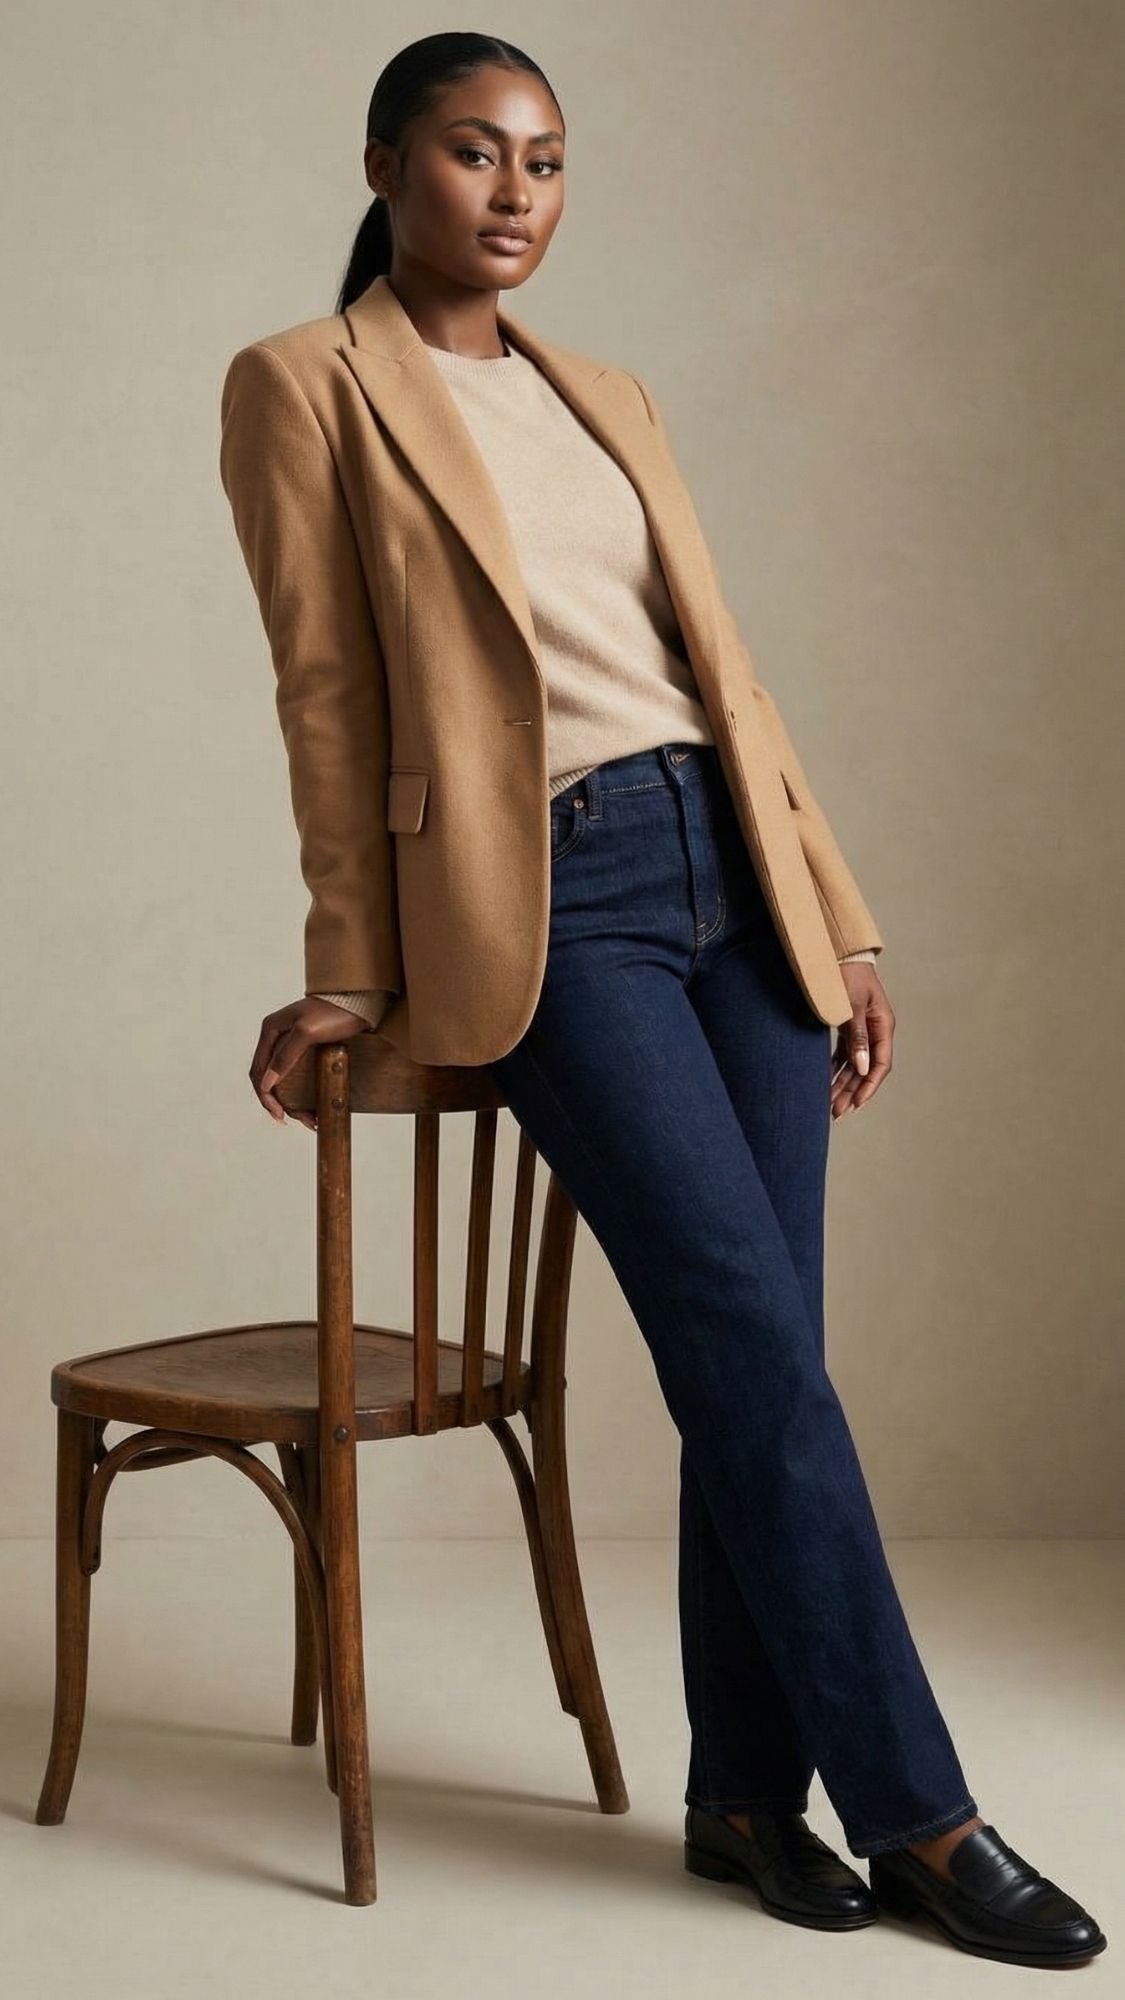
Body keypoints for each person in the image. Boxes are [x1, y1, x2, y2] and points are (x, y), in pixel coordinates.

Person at [218, 31, 1106, 1967]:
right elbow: (323, 696)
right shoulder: (306, 385)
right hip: (555, 903)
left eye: (545, 159)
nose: (515, 191)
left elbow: (727, 668)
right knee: (755, 1349)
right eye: (473, 152)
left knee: (754, 1356)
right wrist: (343, 966)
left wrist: (838, 916)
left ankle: (736, 1800)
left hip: (733, 876)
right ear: (385, 165)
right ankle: (922, 1812)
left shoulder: (602, 392)